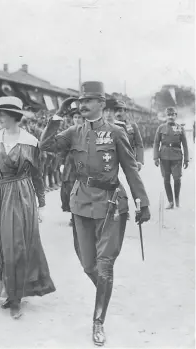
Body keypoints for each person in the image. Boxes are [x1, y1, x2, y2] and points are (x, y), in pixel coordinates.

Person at [40, 81, 151, 346]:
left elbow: (130, 168)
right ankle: (105, 288)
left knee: (104, 264)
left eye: (89, 100)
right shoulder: (74, 131)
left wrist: (142, 201)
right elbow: (46, 145)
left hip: (110, 203)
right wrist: (58, 114)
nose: (84, 105)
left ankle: (98, 321)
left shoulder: (115, 132)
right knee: (88, 264)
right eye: (81, 101)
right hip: (81, 204)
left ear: (102, 104)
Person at [0, 96, 55, 320]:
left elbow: (37, 175)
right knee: (3, 246)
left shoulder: (31, 141)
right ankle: (11, 293)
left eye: (2, 114)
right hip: (0, 196)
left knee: (19, 246)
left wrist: (41, 203)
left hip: (23, 198)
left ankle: (15, 298)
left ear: (14, 116)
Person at [153, 106, 189, 209]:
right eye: (168, 115)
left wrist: (186, 159)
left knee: (177, 179)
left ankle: (177, 200)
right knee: (166, 179)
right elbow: (156, 143)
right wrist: (155, 157)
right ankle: (170, 201)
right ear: (166, 116)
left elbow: (185, 145)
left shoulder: (180, 128)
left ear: (176, 116)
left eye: (172, 114)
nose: (170, 117)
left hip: (177, 157)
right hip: (164, 156)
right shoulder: (161, 128)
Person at [59, 108, 83, 226]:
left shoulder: (87, 132)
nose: (77, 120)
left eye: (79, 117)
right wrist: (62, 164)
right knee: (69, 189)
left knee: (82, 190)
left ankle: (80, 216)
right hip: (70, 163)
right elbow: (62, 148)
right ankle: (74, 216)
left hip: (83, 163)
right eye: (75, 118)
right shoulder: (68, 132)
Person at [113, 100, 144, 171]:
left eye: (120, 111)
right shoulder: (109, 126)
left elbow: (139, 144)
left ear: (125, 112)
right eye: (115, 111)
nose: (117, 114)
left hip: (129, 160)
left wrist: (139, 161)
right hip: (113, 162)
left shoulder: (132, 126)